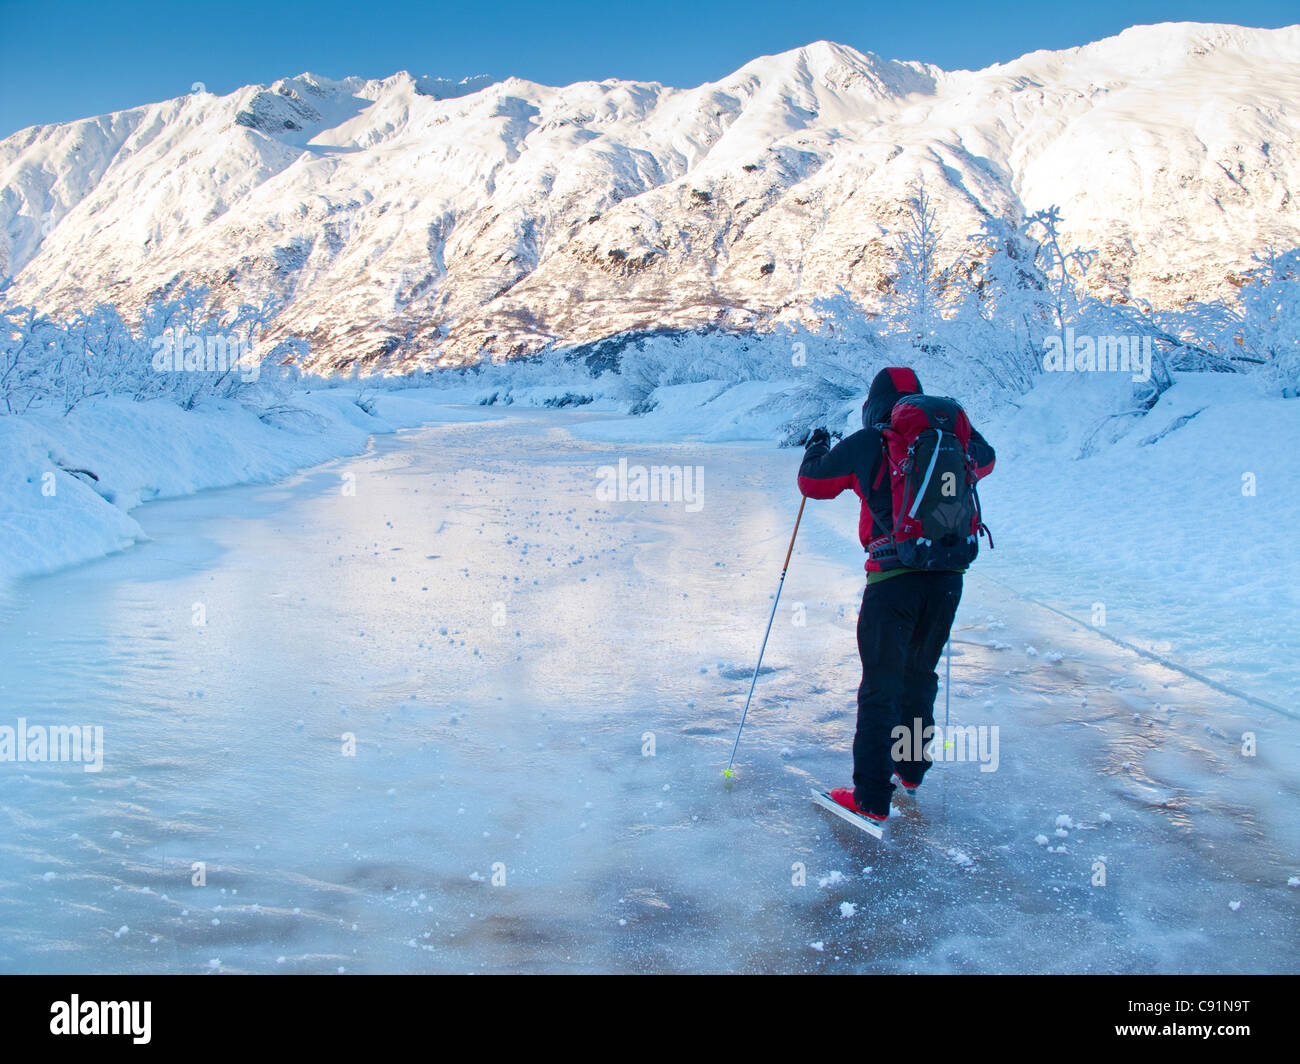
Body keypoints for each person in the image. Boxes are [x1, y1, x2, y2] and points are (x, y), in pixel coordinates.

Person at [797, 367, 995, 824]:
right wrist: (949, 428)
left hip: (892, 580)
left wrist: (817, 445)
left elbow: (813, 484)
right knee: (919, 674)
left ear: (873, 404)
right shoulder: (954, 442)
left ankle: (869, 797)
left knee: (881, 685)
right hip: (948, 577)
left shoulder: (871, 442)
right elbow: (986, 459)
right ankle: (910, 769)